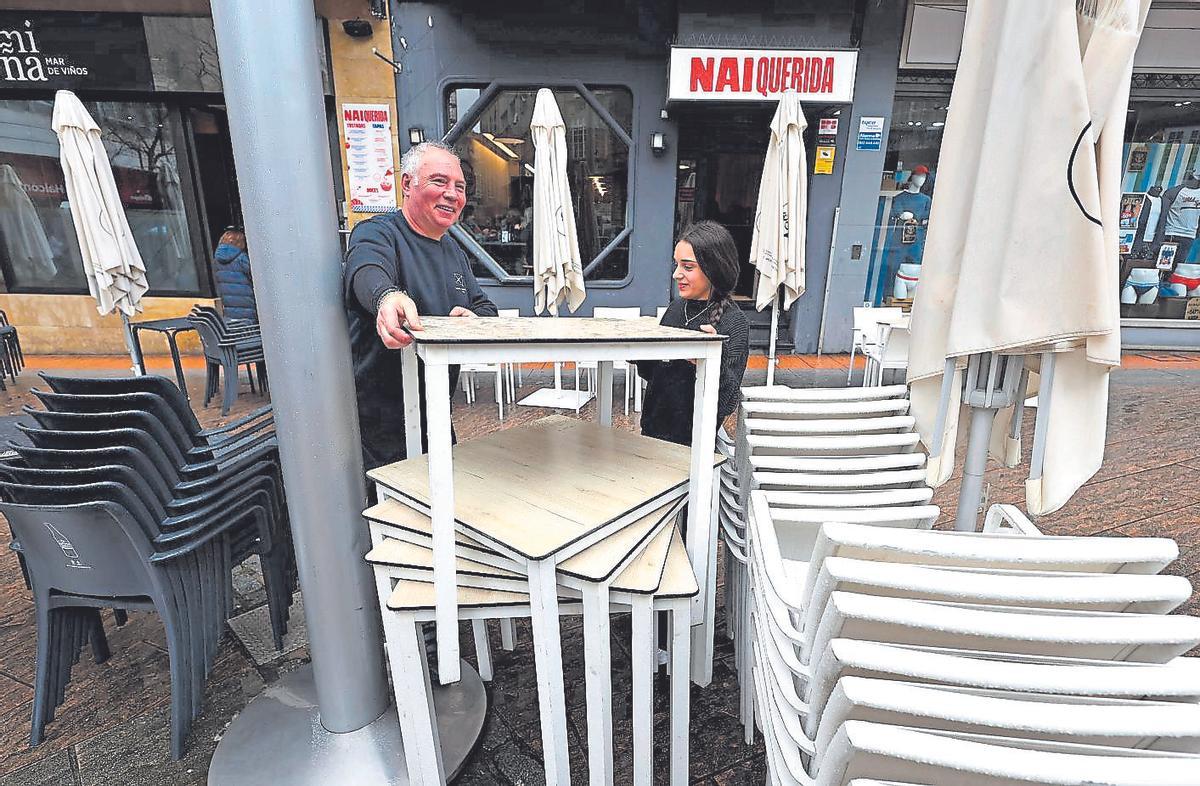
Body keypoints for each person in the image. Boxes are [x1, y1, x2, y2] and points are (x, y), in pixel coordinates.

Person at [343, 140, 497, 470]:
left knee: (445, 502)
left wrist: (473, 318)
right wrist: (386, 297)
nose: (452, 194)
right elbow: (366, 270)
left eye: (460, 187)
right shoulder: (377, 233)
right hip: (377, 421)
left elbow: (485, 307)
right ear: (407, 184)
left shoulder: (453, 251)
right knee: (393, 514)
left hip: (436, 413)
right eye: (439, 182)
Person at [636, 221, 750, 446]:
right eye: (676, 265)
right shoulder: (676, 308)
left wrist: (711, 360)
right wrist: (639, 346)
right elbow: (653, 374)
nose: (676, 274)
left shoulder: (734, 322)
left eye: (688, 267)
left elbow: (726, 403)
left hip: (694, 445)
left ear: (714, 268)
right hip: (651, 432)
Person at [212, 228, 258, 323]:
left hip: (230, 309)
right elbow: (256, 277)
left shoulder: (217, 260)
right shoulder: (242, 258)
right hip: (247, 306)